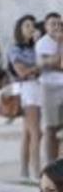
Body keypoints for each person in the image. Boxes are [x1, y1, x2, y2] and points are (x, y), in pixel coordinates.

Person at [11, 15, 44, 179]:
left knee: (28, 132)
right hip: (28, 90)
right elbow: (21, 72)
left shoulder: (37, 47)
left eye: (33, 25)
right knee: (36, 132)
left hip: (39, 87)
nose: (31, 29)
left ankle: (24, 171)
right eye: (27, 26)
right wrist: (38, 67)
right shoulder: (16, 49)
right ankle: (36, 171)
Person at [38, 15, 63, 165]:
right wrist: (59, 44)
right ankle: (50, 164)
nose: (57, 27)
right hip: (49, 88)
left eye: (59, 24)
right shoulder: (43, 43)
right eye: (53, 24)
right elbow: (55, 63)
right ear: (46, 26)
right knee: (51, 128)